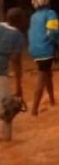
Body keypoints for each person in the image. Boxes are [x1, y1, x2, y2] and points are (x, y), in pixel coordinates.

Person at [27, 0, 59, 116]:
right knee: (42, 77)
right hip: (45, 49)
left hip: (34, 49)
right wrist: (57, 47)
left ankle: (51, 99)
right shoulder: (50, 14)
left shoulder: (33, 16)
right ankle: (34, 109)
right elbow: (53, 33)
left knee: (47, 73)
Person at [0, 8, 26, 140]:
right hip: (1, 72)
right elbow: (16, 62)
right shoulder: (17, 36)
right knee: (7, 107)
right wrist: (19, 86)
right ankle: (6, 137)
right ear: (20, 21)